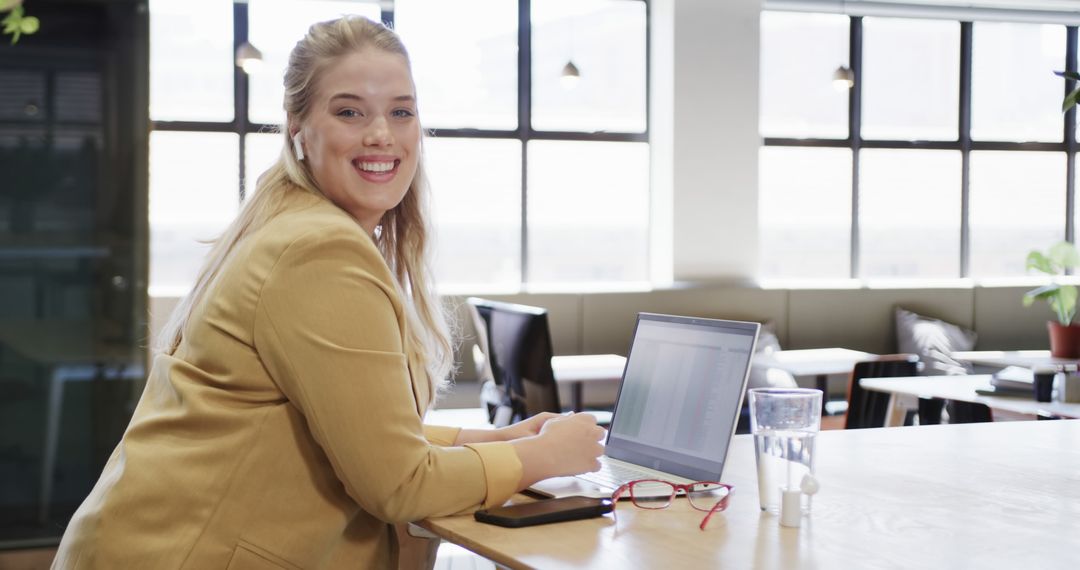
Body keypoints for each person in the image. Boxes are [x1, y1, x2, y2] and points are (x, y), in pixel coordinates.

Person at [52, 16, 604, 569]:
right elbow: (400, 484)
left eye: (401, 111)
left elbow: (362, 436)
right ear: (298, 127)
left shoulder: (297, 226)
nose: (381, 134)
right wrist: (544, 456)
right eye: (349, 112)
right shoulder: (319, 253)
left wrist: (503, 442)